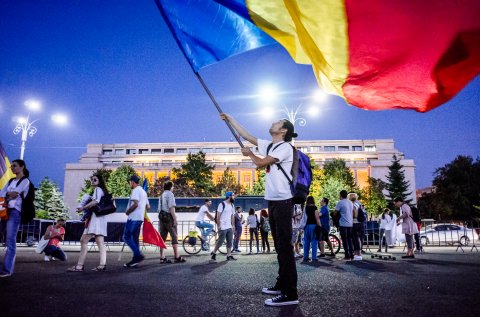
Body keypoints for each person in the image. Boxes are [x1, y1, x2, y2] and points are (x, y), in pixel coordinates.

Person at [221, 113, 299, 306]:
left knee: (286, 248)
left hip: (283, 201)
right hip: (273, 201)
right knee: (280, 246)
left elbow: (261, 163)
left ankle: (290, 294)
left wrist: (251, 154)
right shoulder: (271, 145)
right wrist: (230, 119)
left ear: (283, 130)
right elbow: (248, 136)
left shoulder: (286, 147)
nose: (272, 122)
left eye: (277, 122)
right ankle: (281, 285)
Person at [68, 173, 108, 272]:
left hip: (95, 219)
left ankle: (79, 266)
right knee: (100, 243)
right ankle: (102, 265)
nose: (92, 181)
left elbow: (96, 201)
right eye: (92, 179)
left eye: (95, 180)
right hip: (101, 219)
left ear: (99, 181)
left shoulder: (97, 189)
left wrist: (83, 208)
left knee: (83, 241)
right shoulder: (103, 190)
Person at [0, 159, 30, 277]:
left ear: (22, 167)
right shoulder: (11, 180)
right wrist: (8, 194)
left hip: (14, 212)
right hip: (5, 211)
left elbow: (14, 194)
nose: (12, 168)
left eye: (14, 166)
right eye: (11, 166)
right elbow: (2, 194)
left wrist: (7, 194)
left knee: (10, 240)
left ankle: (7, 270)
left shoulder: (25, 181)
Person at [123, 175, 150, 267]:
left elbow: (135, 204)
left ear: (133, 182)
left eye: (130, 182)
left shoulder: (135, 190)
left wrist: (127, 211)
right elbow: (148, 207)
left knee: (126, 237)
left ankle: (138, 255)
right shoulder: (143, 192)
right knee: (135, 239)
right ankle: (135, 260)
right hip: (140, 218)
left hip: (133, 218)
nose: (129, 184)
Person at [158, 181, 185, 263]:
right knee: (174, 236)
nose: (173, 188)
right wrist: (175, 219)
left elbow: (159, 209)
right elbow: (171, 208)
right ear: (170, 187)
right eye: (173, 187)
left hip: (162, 217)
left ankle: (162, 257)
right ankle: (177, 256)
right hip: (169, 217)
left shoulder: (161, 195)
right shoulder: (170, 194)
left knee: (162, 237)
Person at [210, 191, 236, 261]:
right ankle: (214, 252)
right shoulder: (222, 204)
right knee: (220, 241)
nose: (234, 197)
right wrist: (218, 225)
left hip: (229, 226)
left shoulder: (232, 205)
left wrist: (233, 225)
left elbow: (232, 216)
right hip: (222, 226)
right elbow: (218, 215)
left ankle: (229, 255)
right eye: (233, 196)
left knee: (230, 241)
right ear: (229, 196)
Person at [334, 190, 354, 260]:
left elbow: (335, 213)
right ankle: (352, 254)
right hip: (350, 223)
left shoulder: (340, 202)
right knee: (350, 239)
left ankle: (347, 255)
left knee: (344, 239)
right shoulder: (350, 202)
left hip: (343, 223)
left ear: (341, 195)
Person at [302, 196, 320, 262]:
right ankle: (314, 257)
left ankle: (305, 257)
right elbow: (317, 218)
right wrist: (320, 225)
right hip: (313, 225)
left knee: (306, 242)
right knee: (314, 241)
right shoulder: (314, 207)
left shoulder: (305, 208)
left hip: (306, 226)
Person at [349, 193, 363, 261]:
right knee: (357, 238)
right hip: (360, 223)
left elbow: (355, 214)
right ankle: (358, 252)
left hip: (354, 223)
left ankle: (357, 253)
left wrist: (350, 216)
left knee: (355, 239)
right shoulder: (358, 203)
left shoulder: (352, 204)